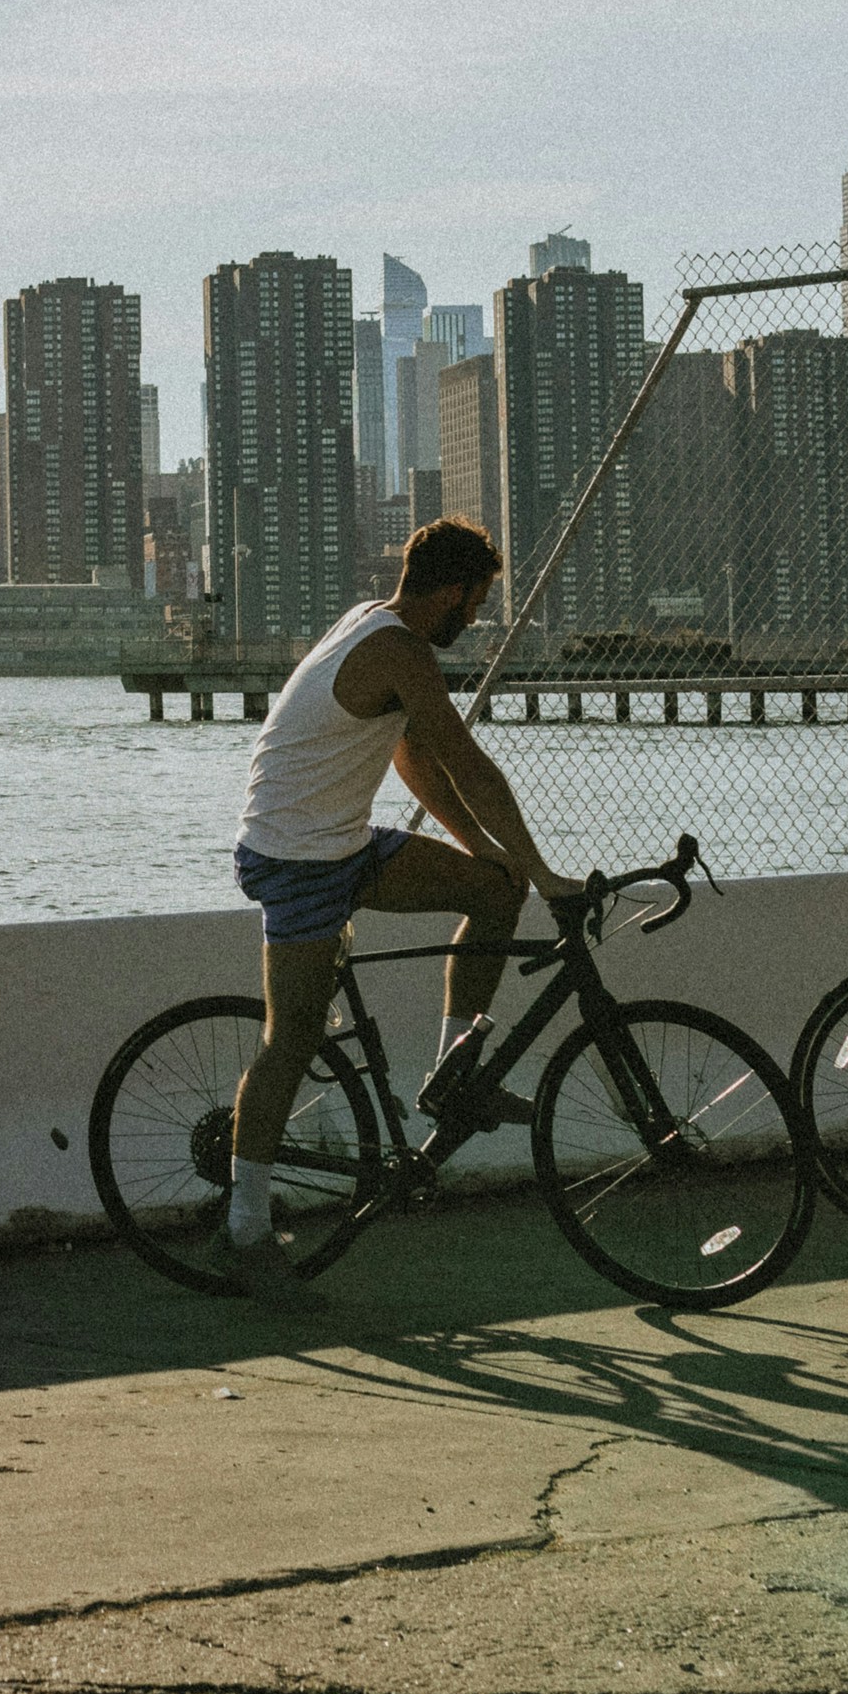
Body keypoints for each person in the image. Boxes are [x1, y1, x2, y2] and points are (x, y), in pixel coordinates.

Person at [219, 516, 578, 1292]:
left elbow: (411, 754)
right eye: (477, 601)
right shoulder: (397, 649)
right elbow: (468, 763)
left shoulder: (372, 625)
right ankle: (245, 1226)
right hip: (295, 858)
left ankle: (454, 1071)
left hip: (342, 843)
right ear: (448, 591)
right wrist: (545, 869)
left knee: (493, 888)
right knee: (294, 1037)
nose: (478, 618)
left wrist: (495, 856)